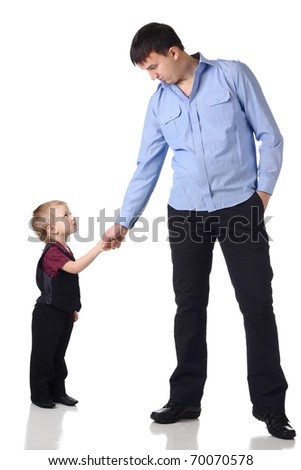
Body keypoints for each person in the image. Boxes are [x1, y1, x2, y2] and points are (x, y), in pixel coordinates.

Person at [102, 23, 296, 439]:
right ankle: (185, 399)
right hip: (185, 213)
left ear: (173, 52)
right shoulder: (158, 104)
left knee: (257, 305)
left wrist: (261, 194)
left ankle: (271, 408)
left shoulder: (231, 74)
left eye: (153, 66)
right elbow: (147, 166)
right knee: (189, 307)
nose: (152, 76)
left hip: (239, 207)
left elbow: (271, 136)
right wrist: (124, 221)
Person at [30, 200, 108, 408]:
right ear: (51, 228)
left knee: (58, 354)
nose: (72, 217)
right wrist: (98, 247)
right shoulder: (52, 251)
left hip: (62, 312)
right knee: (44, 355)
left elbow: (64, 284)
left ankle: (58, 392)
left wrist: (71, 308)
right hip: (48, 313)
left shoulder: (65, 248)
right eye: (66, 215)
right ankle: (39, 395)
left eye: (71, 213)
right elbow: (74, 269)